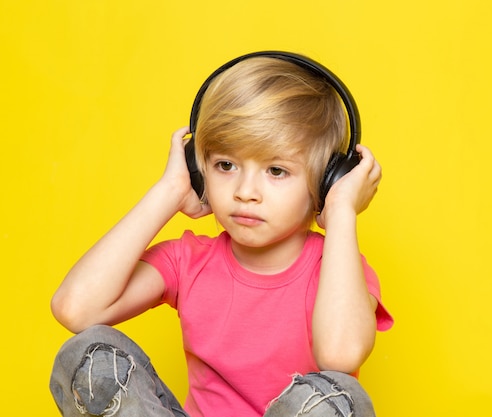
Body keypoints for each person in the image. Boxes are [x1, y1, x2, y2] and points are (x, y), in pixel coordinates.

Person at [49, 52, 393, 417]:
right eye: (225, 165)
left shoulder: (339, 269)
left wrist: (340, 210)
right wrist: (169, 192)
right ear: (200, 172)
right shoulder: (187, 261)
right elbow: (75, 309)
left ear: (326, 182)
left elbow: (340, 357)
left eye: (276, 171)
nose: (245, 191)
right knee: (86, 354)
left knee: (334, 397)